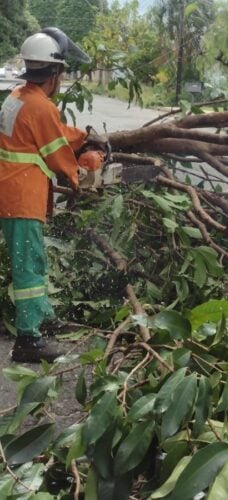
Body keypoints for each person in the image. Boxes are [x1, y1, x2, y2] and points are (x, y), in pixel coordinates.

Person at [0, 28, 103, 363]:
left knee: (35, 259)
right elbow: (58, 154)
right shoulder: (41, 108)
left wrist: (85, 137)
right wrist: (83, 172)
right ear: (55, 73)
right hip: (21, 196)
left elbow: (52, 133)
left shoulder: (19, 96)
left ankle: (43, 316)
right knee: (29, 267)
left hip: (13, 191)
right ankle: (28, 340)